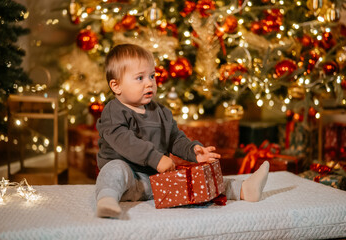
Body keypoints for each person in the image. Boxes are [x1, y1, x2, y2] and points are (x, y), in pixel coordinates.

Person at [95, 43, 269, 218]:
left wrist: (194, 152)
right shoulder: (114, 111)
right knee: (114, 169)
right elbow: (124, 140)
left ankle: (243, 189)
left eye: (152, 76)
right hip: (127, 179)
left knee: (195, 180)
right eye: (140, 78)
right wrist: (155, 159)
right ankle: (107, 199)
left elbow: (175, 138)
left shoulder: (161, 112)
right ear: (116, 86)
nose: (149, 83)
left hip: (153, 181)